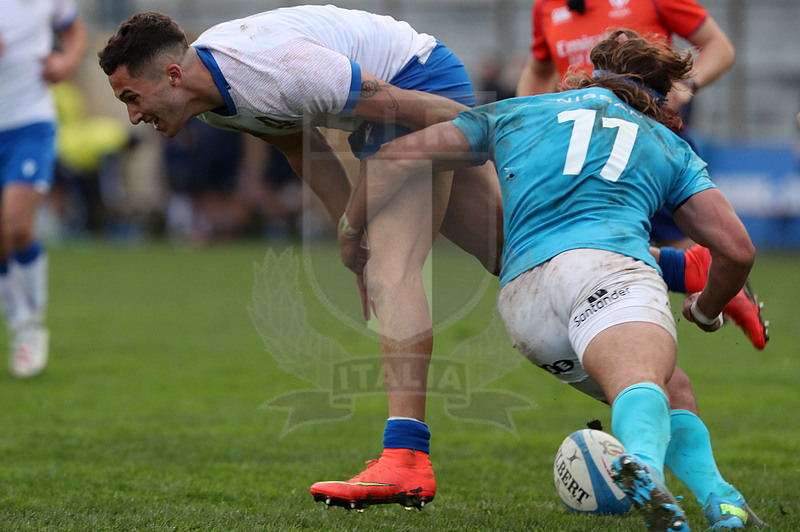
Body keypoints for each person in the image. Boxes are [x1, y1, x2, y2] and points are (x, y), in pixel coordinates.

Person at [336, 29, 766, 531]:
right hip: (607, 271)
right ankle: (644, 470)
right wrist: (705, 310)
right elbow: (737, 251)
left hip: (525, 305)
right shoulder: (667, 144)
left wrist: (349, 232)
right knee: (639, 381)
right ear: (659, 97)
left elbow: (393, 160)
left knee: (673, 389)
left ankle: (723, 501)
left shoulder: (517, 112)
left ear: (586, 72)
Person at [98, 4, 502, 510]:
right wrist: (351, 234)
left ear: (174, 75)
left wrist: (510, 130)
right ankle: (630, 394)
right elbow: (298, 144)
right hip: (390, 107)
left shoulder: (272, 68)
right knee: (516, 254)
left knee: (392, 270)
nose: (134, 116)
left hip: (415, 85)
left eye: (133, 98)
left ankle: (406, 461)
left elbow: (403, 108)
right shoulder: (217, 100)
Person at [515, 0, 768, 352]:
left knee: (573, 245)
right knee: (577, 246)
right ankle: (703, 279)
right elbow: (538, 70)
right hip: (579, 148)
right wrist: (527, 128)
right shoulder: (547, 7)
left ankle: (707, 290)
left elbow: (720, 47)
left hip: (645, 141)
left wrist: (687, 85)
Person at [0, 0, 87, 377]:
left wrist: (66, 62)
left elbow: (74, 30)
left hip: (30, 123)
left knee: (16, 226)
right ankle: (18, 321)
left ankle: (31, 323)